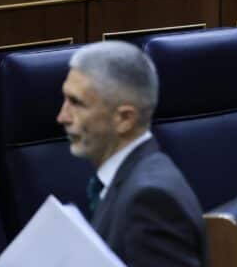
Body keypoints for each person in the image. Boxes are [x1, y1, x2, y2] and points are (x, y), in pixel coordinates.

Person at [56, 41, 207, 266]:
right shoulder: (129, 179)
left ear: (124, 119)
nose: (62, 117)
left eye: (76, 103)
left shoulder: (150, 201)